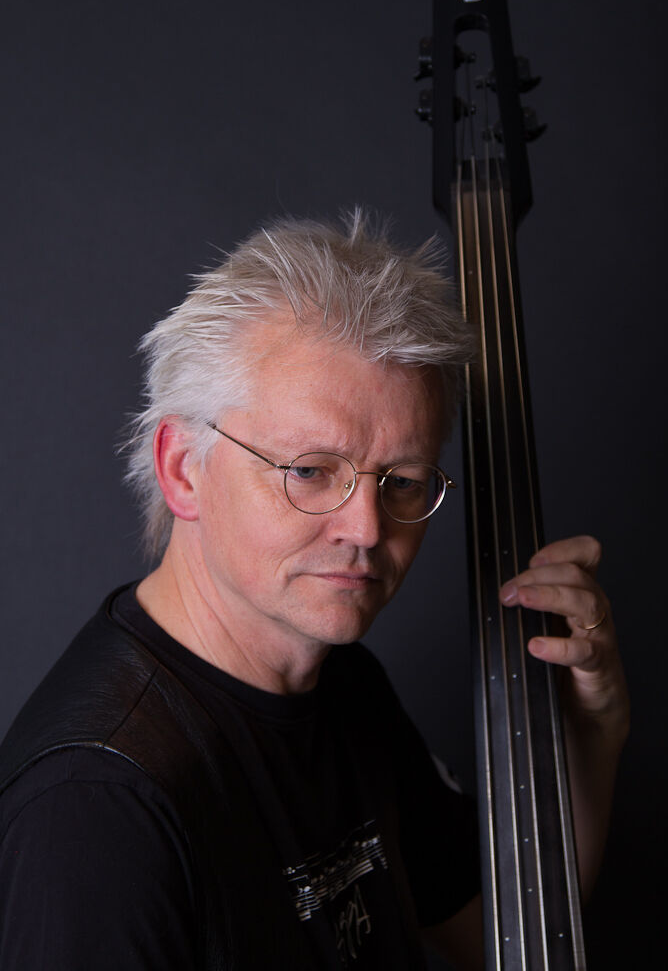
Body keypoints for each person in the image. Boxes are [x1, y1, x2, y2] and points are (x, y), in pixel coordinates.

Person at [0, 211, 629, 969]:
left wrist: (593, 728)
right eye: (309, 470)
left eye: (402, 480)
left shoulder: (343, 684)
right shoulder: (95, 807)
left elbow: (496, 934)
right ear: (183, 469)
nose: (366, 528)